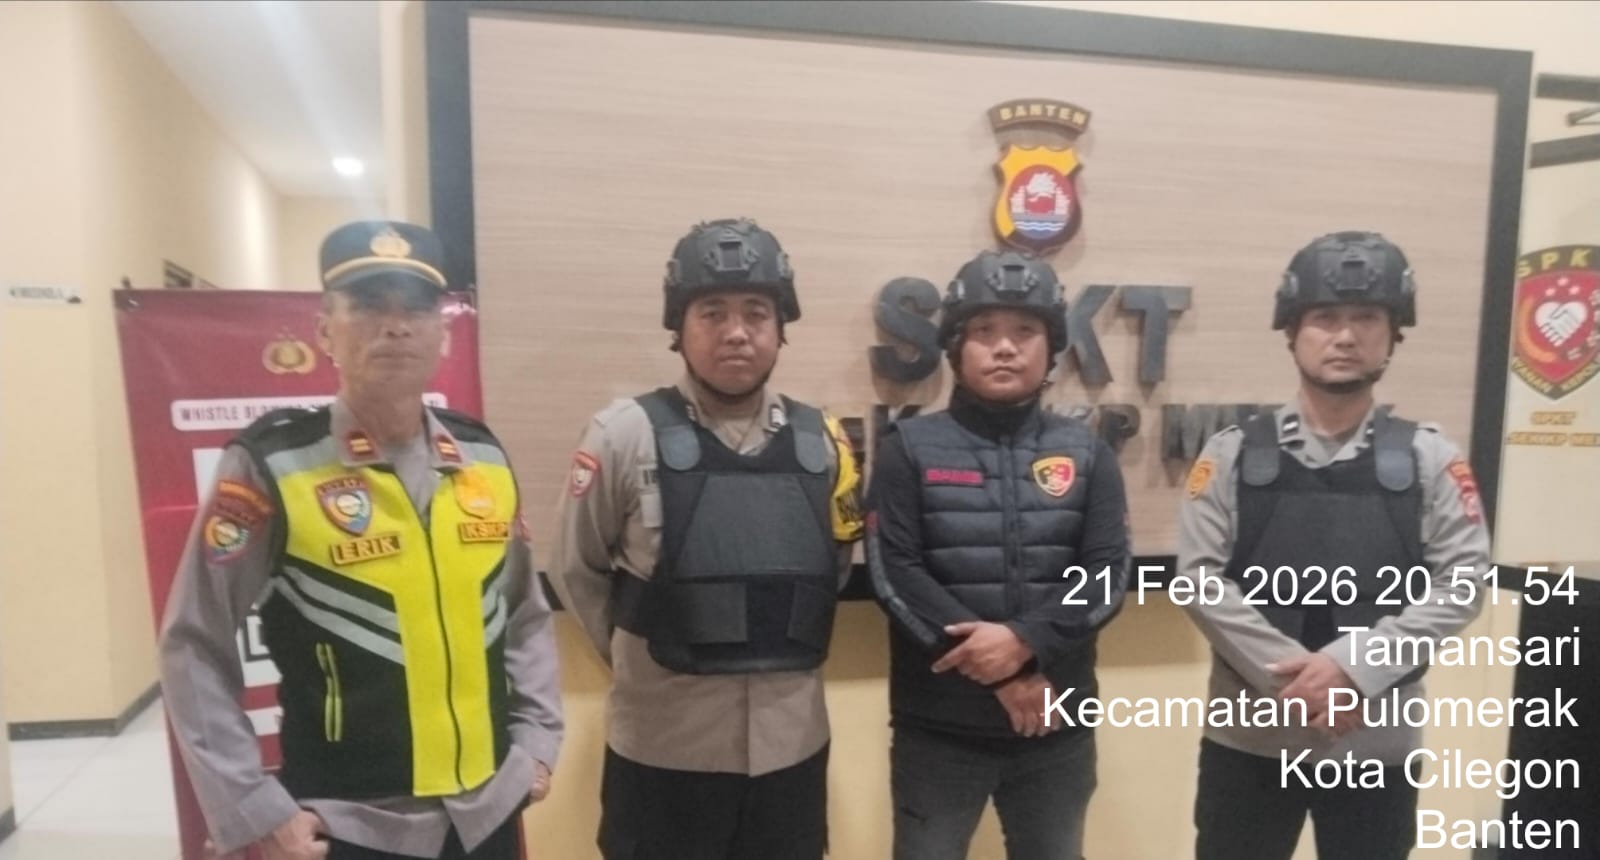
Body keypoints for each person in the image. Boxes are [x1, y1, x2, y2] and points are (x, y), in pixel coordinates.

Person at [159, 220, 564, 860]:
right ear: (325, 331)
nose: (396, 326)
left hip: (487, 814)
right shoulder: (274, 463)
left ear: (444, 334)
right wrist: (250, 806)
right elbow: (194, 644)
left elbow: (525, 615)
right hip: (348, 823)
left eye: (417, 309)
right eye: (370, 304)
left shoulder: (482, 457)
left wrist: (538, 740)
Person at [548, 217, 864, 860]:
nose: (736, 331)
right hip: (663, 749)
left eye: (756, 312)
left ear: (781, 328)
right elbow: (575, 569)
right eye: (712, 312)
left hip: (791, 750)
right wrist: (649, 650)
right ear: (679, 327)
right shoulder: (621, 434)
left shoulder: (824, 442)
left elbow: (831, 568)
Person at [1175, 230, 1491, 860]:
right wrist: (1304, 687)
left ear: (1393, 334)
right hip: (1250, 743)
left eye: (1367, 318)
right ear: (1292, 330)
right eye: (1324, 317)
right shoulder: (1231, 453)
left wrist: (1352, 669)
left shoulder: (1430, 457)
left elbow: (1463, 584)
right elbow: (1198, 582)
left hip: (1377, 748)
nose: (1345, 336)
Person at [866, 249, 1131, 860]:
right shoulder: (909, 448)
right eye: (984, 331)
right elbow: (895, 574)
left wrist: (1027, 642)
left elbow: (1107, 573)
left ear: (1051, 346)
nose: (1005, 347)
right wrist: (1007, 674)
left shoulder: (1087, 452)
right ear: (955, 348)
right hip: (939, 733)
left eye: (1024, 331)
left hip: (1055, 727)